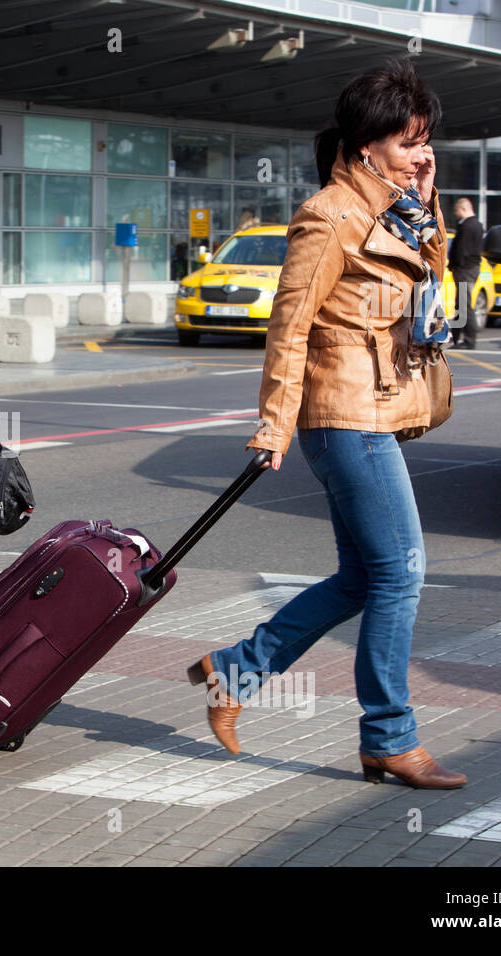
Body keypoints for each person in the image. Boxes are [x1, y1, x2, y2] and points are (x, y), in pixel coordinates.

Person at [188, 60, 467, 789]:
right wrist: (274, 425)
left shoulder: (400, 211)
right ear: (368, 145)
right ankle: (389, 737)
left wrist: (428, 199)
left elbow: (432, 283)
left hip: (374, 410)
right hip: (345, 417)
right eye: (410, 144)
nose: (421, 155)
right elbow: (289, 327)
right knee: (402, 573)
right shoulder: (329, 215)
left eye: (425, 141)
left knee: (360, 578)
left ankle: (235, 672)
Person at [448, 196, 483, 348]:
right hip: (469, 269)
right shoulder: (476, 224)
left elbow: (462, 250)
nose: (456, 214)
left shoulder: (468, 226)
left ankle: (469, 340)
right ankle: (455, 338)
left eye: (456, 211)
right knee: (461, 304)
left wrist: (455, 265)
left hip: (465, 270)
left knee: (464, 305)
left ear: (463, 209)